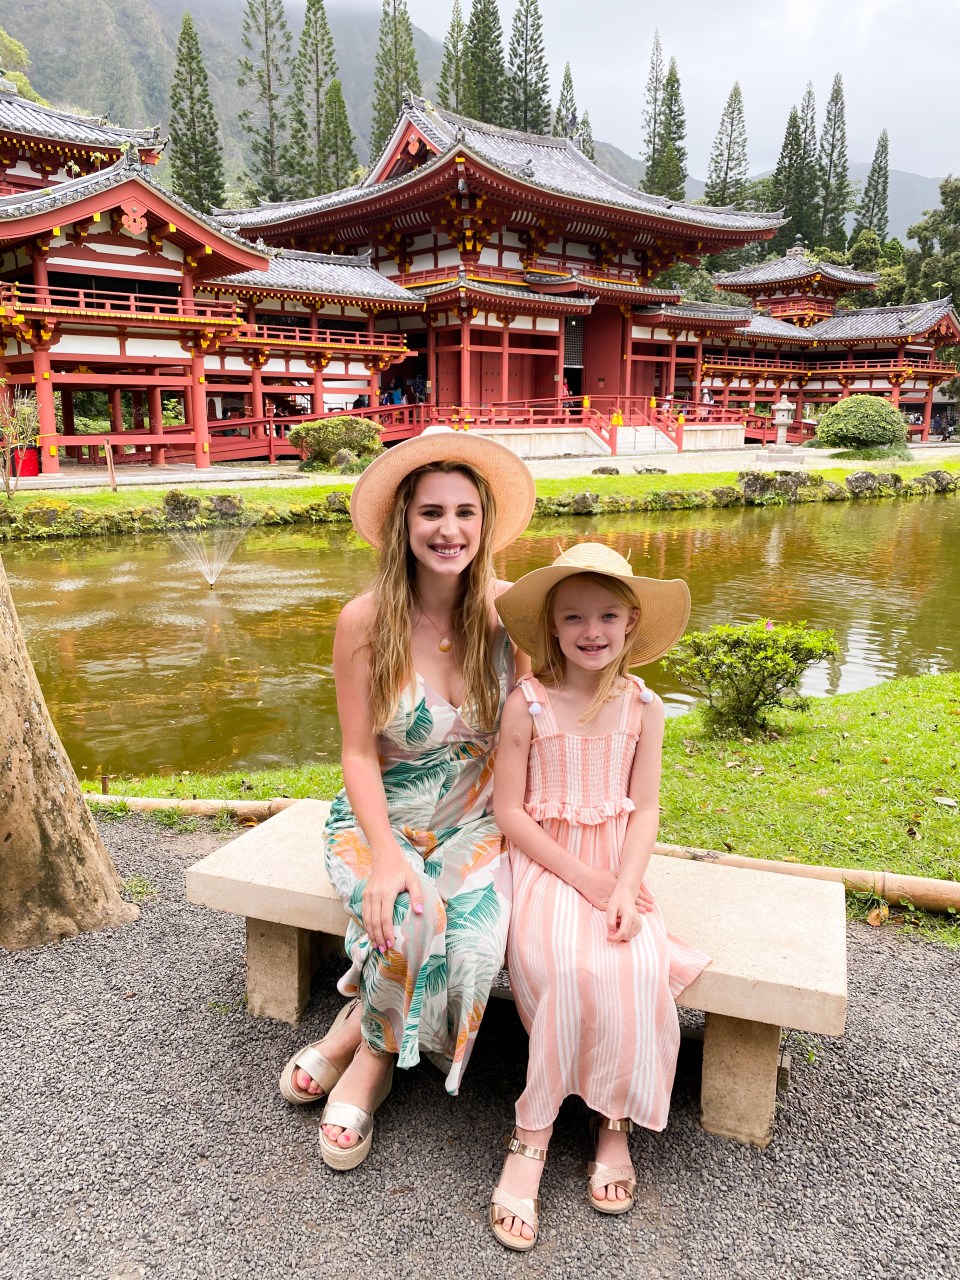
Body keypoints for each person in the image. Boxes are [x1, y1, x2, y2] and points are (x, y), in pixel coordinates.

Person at [278, 426, 536, 1172]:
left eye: (464, 512)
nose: (449, 530)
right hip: (379, 817)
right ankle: (375, 1065)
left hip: (479, 818)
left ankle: (353, 1026)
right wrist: (386, 856)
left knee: (477, 944)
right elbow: (358, 752)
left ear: (484, 523)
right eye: (431, 512)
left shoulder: (511, 613)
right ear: (403, 523)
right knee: (408, 915)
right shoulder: (365, 621)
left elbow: (567, 697)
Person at [487, 542, 710, 1251]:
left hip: (617, 864)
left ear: (631, 621)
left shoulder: (645, 708)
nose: (592, 631)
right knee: (569, 967)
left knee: (634, 963)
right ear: (551, 626)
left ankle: (611, 1120)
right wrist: (583, 880)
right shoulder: (527, 704)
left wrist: (620, 883)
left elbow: (644, 810)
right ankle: (532, 1135)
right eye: (574, 617)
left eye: (608, 616)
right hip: (545, 862)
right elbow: (510, 813)